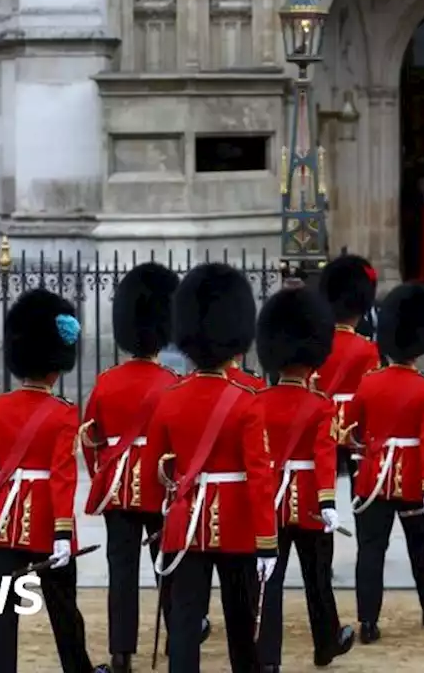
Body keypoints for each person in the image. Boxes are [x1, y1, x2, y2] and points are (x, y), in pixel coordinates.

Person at [145, 262, 279, 673]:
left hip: (186, 523)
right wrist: (267, 540)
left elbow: (155, 469)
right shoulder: (246, 400)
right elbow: (259, 476)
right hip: (238, 522)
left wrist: (157, 527)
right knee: (241, 626)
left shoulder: (170, 398)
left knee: (184, 624)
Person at [81, 262, 209, 673]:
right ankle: (179, 637)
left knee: (122, 571)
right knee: (168, 566)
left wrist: (103, 471)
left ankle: (121, 653)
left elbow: (92, 438)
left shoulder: (106, 381)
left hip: (118, 488)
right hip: (159, 486)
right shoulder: (172, 381)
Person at [0, 289, 94, 673]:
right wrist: (61, 533)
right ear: (57, 366)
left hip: (3, 522)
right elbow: (62, 477)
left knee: (2, 611)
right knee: (63, 611)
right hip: (45, 524)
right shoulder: (64, 413)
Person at [253, 287, 356, 672]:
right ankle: (325, 644)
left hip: (271, 505)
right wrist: (328, 503)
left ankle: (268, 658)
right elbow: (324, 456)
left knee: (270, 582)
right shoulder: (320, 406)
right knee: (317, 580)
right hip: (312, 505)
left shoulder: (258, 403)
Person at [349, 283, 424, 645]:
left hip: (373, 477)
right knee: (420, 545)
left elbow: (354, 431)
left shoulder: (369, 383)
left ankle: (368, 622)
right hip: (410, 478)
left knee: (371, 549)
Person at [316, 255, 382, 494]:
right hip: (357, 425)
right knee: (361, 492)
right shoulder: (367, 349)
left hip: (323, 423)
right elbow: (373, 393)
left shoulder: (319, 345)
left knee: (322, 491)